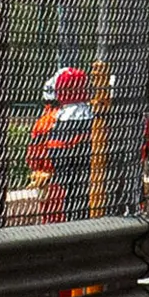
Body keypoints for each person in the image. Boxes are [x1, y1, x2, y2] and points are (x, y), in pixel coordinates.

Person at [25, 64, 96, 220]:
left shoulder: (46, 123)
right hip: (93, 189)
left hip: (56, 190)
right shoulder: (99, 120)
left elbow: (33, 160)